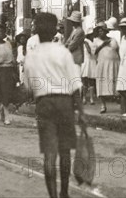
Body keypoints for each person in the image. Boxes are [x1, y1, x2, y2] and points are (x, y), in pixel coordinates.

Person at [23, 12, 84, 198]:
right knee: (64, 151)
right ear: (54, 31)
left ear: (36, 30)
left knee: (49, 153)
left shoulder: (32, 56)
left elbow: (28, 88)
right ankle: (64, 192)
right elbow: (75, 84)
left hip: (44, 103)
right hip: (64, 103)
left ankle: (53, 196)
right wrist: (80, 111)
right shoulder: (63, 52)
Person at [0, 23, 17, 125]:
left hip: (10, 70)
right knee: (4, 92)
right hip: (0, 71)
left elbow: (13, 59)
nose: (1, 33)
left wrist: (15, 72)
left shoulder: (8, 44)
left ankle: (3, 111)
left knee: (9, 93)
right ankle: (7, 116)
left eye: (2, 31)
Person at [93, 21, 120, 114]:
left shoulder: (113, 40)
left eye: (102, 31)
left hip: (114, 64)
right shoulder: (96, 41)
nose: (101, 32)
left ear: (106, 31)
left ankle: (119, 101)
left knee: (115, 82)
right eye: (99, 31)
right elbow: (94, 52)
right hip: (102, 64)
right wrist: (103, 45)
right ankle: (103, 105)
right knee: (101, 83)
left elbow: (118, 50)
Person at [81, 27, 97, 105]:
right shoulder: (85, 41)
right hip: (86, 62)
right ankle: (84, 97)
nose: (92, 35)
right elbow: (89, 50)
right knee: (85, 81)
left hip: (93, 61)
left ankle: (91, 98)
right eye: (91, 34)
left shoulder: (94, 41)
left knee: (92, 81)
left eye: (92, 34)